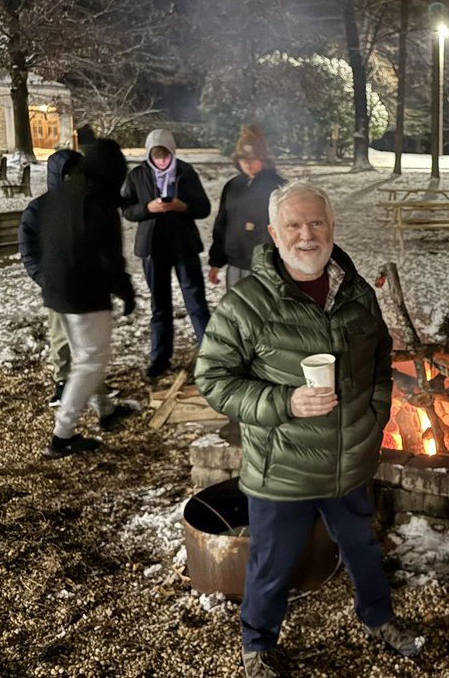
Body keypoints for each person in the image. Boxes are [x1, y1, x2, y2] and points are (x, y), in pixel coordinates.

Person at [194, 181, 424, 678]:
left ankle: (378, 617)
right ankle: (258, 645)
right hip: (284, 466)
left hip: (350, 460)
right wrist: (285, 403)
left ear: (332, 226)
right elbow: (213, 378)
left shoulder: (356, 292)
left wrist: (376, 414)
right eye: (293, 226)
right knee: (272, 563)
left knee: (363, 550)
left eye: (316, 223)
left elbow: (381, 359)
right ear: (274, 234)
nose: (306, 235)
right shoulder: (248, 304)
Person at [36, 140, 138, 459]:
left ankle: (106, 410)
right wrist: (125, 289)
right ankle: (62, 436)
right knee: (91, 361)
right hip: (83, 291)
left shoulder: (66, 192)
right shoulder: (97, 202)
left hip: (57, 288)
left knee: (85, 356)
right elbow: (107, 253)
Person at [121, 128, 212, 378]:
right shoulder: (137, 174)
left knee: (196, 302)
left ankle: (212, 356)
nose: (161, 160)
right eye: (156, 155)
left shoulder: (186, 171)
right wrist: (147, 208)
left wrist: (184, 206)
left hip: (183, 246)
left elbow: (204, 207)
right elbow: (127, 210)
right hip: (153, 248)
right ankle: (159, 358)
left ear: (172, 152)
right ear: (149, 153)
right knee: (159, 306)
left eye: (165, 155)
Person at [20, 147, 83, 405]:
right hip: (57, 284)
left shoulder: (87, 206)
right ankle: (62, 381)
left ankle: (91, 383)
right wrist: (45, 278)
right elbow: (28, 249)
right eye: (67, 175)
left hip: (86, 282)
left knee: (89, 337)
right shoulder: (39, 209)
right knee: (61, 336)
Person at [209, 125, 286, 289]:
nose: (247, 164)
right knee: (237, 309)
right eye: (243, 159)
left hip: (267, 264)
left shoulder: (278, 187)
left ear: (264, 158)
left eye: (253, 159)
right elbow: (222, 224)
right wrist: (216, 261)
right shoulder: (232, 186)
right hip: (235, 261)